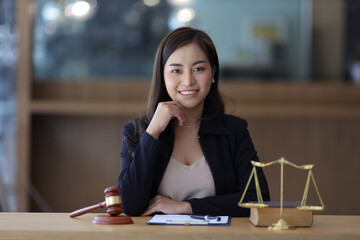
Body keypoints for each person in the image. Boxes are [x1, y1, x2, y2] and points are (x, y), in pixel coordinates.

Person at [118, 27, 270, 217]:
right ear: (162, 75)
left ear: (213, 72)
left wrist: (186, 207)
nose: (188, 81)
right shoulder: (136, 131)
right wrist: (153, 131)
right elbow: (129, 205)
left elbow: (259, 199)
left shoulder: (234, 130)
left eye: (198, 69)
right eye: (176, 70)